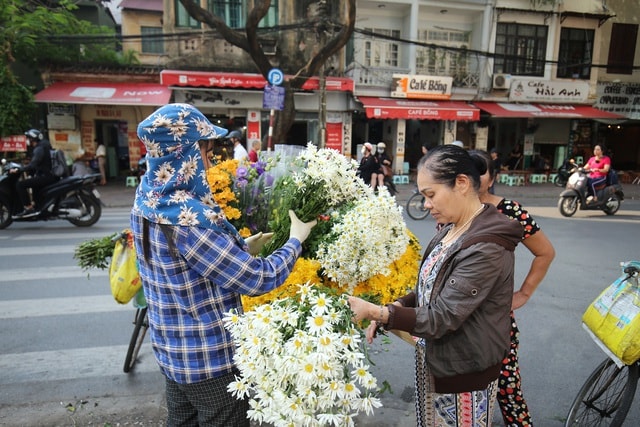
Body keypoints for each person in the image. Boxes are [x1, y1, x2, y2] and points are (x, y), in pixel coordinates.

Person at [130, 103, 316, 427]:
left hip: (173, 353)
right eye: (206, 150)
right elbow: (259, 279)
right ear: (184, 154)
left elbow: (184, 266)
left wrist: (241, 247)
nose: (210, 159)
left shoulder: (147, 198)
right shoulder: (189, 221)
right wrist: (295, 241)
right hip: (209, 362)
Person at [349, 144, 523, 426]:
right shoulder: (455, 228)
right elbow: (433, 286)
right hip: (440, 360)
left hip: (464, 372)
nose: (426, 204)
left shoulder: (487, 244)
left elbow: (444, 315)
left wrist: (378, 313)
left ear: (462, 183)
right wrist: (398, 305)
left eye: (431, 195)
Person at [470, 149, 556, 426]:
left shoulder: (509, 211)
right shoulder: (450, 210)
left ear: (493, 177)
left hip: (495, 320)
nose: (473, 176)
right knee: (461, 393)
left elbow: (545, 252)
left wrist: (524, 293)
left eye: (481, 170)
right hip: (455, 318)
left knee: (507, 390)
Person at [11, 129, 59, 218]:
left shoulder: (39, 148)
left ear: (33, 139)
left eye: (28, 138)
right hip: (47, 175)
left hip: (45, 176)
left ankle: (28, 208)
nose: (27, 141)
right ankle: (37, 207)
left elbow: (34, 163)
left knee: (20, 185)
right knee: (33, 184)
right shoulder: (44, 145)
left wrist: (20, 170)